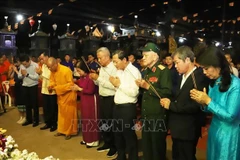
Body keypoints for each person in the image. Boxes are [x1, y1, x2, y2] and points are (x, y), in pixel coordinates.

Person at [190, 46, 240, 160]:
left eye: (206, 68)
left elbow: (230, 116)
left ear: (217, 65)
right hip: (214, 130)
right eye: (202, 68)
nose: (204, 72)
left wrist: (208, 100)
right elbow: (210, 109)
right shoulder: (215, 82)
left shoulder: (235, 85)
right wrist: (202, 102)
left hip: (229, 135)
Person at [160, 46, 209, 160]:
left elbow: (195, 106)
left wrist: (171, 105)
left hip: (188, 129)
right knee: (177, 155)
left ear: (187, 60)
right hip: (178, 127)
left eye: (177, 62)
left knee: (186, 156)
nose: (175, 66)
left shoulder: (198, 77)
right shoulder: (182, 75)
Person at [136, 42, 172, 160]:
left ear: (155, 56)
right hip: (147, 114)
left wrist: (148, 87)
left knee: (157, 148)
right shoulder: (147, 71)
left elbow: (167, 92)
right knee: (147, 146)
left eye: (146, 55)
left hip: (158, 115)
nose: (143, 58)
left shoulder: (163, 71)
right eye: (143, 55)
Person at [110, 50, 141, 160]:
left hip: (127, 108)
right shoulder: (119, 71)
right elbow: (117, 88)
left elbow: (134, 93)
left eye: (116, 61)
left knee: (129, 135)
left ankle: (133, 158)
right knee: (117, 134)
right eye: (113, 62)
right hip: (117, 105)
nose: (114, 64)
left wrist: (119, 85)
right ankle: (121, 157)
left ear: (124, 60)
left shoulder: (134, 71)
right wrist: (115, 84)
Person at [89, 47, 117, 158]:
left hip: (111, 98)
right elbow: (99, 84)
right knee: (104, 122)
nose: (98, 60)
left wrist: (99, 79)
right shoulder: (102, 68)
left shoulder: (114, 68)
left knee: (111, 123)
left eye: (100, 58)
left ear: (106, 56)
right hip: (102, 98)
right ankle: (107, 142)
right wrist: (95, 79)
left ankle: (114, 147)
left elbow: (114, 86)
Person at [47, 57, 78, 140]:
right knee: (61, 114)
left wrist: (57, 88)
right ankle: (61, 130)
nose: (49, 69)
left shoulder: (66, 70)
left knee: (69, 115)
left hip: (69, 95)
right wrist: (51, 86)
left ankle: (69, 132)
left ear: (55, 64)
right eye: (48, 67)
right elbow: (52, 81)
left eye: (50, 67)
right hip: (61, 96)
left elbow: (70, 84)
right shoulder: (52, 71)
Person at [71, 60, 99, 148]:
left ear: (84, 69)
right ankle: (86, 138)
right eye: (77, 71)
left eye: (79, 71)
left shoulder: (90, 76)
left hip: (91, 101)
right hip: (84, 100)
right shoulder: (82, 77)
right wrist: (77, 88)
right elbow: (81, 89)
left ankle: (94, 140)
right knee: (85, 119)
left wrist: (79, 89)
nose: (78, 73)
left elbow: (90, 91)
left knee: (91, 119)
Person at [37, 53, 58, 132]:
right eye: (40, 59)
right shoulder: (43, 66)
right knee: (46, 108)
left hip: (52, 90)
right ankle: (47, 123)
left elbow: (51, 77)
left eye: (42, 58)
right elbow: (42, 78)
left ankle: (54, 124)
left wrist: (41, 73)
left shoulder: (52, 65)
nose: (41, 60)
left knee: (52, 108)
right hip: (44, 89)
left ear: (47, 57)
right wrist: (39, 74)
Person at [18, 54, 39, 127]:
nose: (25, 66)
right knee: (27, 104)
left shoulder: (35, 65)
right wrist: (22, 74)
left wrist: (27, 74)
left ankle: (36, 120)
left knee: (34, 104)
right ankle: (29, 119)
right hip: (25, 86)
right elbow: (19, 76)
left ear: (29, 61)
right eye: (23, 64)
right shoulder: (22, 66)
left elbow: (37, 77)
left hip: (33, 86)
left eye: (25, 64)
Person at [8, 57, 26, 124]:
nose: (15, 64)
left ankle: (24, 116)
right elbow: (11, 77)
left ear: (19, 61)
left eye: (15, 62)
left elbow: (21, 77)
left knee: (23, 102)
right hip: (17, 86)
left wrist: (16, 71)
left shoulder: (22, 68)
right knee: (18, 102)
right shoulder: (15, 68)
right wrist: (12, 71)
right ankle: (21, 116)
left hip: (22, 86)